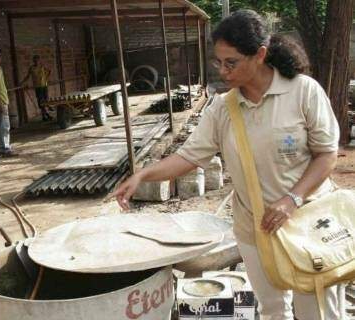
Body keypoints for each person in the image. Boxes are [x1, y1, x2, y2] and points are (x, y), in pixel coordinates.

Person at [112, 10, 344, 320]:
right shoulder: (223, 108)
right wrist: (143, 174)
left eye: (231, 63)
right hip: (256, 229)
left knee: (316, 310)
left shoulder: (302, 91)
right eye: (218, 62)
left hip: (307, 222)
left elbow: (327, 154)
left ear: (260, 55)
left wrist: (292, 199)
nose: (223, 71)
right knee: (274, 310)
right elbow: (190, 156)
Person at [20, 54, 52, 121]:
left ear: (39, 60)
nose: (36, 61)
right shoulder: (31, 68)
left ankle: (46, 114)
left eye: (37, 60)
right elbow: (28, 76)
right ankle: (45, 115)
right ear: (33, 61)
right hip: (38, 87)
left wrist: (46, 79)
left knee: (45, 100)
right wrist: (22, 82)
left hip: (44, 86)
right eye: (35, 60)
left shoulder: (42, 66)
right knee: (41, 101)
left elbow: (49, 71)